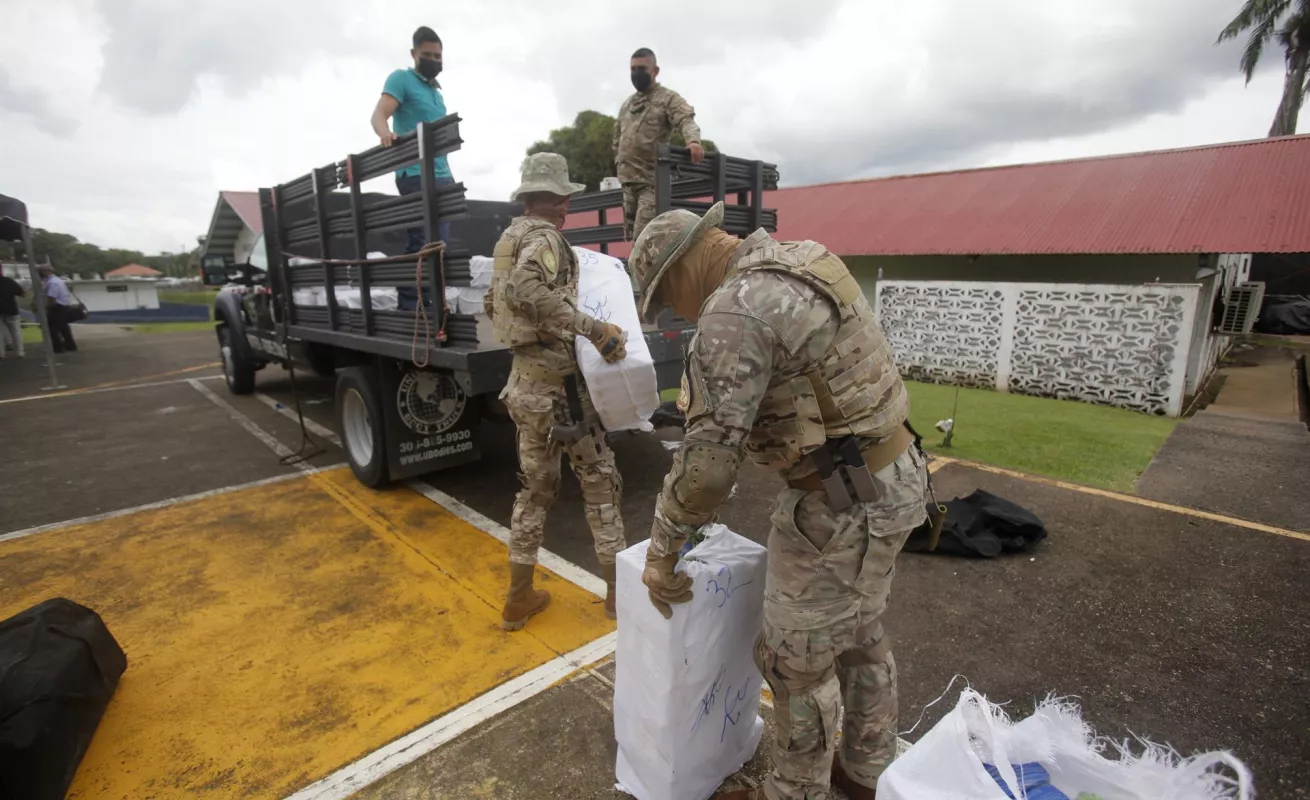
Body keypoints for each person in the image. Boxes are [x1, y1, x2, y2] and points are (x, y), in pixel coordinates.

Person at [628, 203, 929, 800]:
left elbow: (709, 471)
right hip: (896, 473)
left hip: (838, 504)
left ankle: (795, 792)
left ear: (684, 265)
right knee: (859, 630)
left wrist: (662, 549)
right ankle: (866, 770)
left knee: (796, 661)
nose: (674, 312)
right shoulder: (806, 259)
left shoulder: (734, 309)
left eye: (667, 296)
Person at [486, 152, 630, 631]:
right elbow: (526, 289)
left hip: (523, 385)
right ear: (558, 199)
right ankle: (615, 596)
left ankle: (518, 597)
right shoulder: (548, 238)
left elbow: (496, 301)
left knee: (535, 489)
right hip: (561, 391)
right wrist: (593, 329)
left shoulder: (509, 239)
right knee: (600, 483)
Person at [371, 25, 455, 252]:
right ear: (414, 54)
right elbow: (379, 115)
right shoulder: (401, 79)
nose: (433, 60)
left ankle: (433, 289)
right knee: (423, 242)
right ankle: (414, 289)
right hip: (415, 174)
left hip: (443, 176)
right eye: (427, 55)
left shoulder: (436, 94)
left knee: (440, 245)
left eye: (437, 56)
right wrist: (385, 134)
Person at [612, 47, 705, 241]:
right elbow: (617, 138)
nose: (636, 74)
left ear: (655, 71)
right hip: (628, 182)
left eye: (642, 68)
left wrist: (693, 141)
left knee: (644, 238)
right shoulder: (628, 105)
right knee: (632, 238)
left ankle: (644, 272)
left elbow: (685, 119)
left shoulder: (667, 99)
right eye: (633, 69)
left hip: (651, 183)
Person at [37, 266, 77, 354]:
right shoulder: (57, 280)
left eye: (40, 272)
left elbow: (52, 297)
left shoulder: (52, 283)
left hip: (57, 307)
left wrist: (46, 307)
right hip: (62, 306)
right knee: (63, 327)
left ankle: (58, 347)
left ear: (46, 271)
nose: (39, 274)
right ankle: (70, 345)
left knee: (52, 328)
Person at [0, 271, 24, 359]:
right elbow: (21, 292)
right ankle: (20, 351)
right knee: (15, 331)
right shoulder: (8, 281)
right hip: (11, 309)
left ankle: (1, 353)